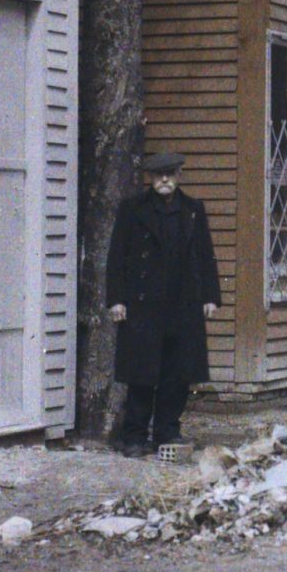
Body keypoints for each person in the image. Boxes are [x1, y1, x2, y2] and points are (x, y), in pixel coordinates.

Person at [105, 148, 221, 461]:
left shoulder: (193, 210)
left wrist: (210, 296)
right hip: (143, 305)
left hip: (183, 304)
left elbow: (205, 256)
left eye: (170, 174)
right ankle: (134, 436)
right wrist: (116, 299)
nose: (165, 180)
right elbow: (117, 257)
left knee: (178, 374)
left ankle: (167, 432)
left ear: (179, 175)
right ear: (151, 179)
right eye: (159, 175)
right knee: (142, 374)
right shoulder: (133, 210)